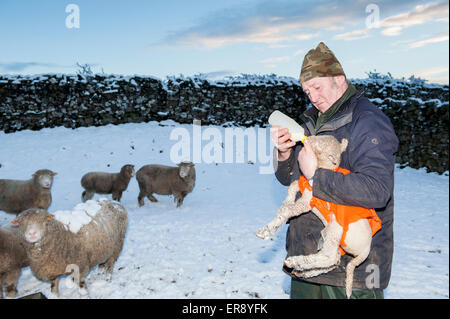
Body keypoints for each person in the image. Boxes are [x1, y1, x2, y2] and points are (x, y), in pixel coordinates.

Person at [271, 42, 399, 299]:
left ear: (339, 79)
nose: (313, 97)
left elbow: (377, 190)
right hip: (307, 258)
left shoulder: (368, 121)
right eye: (307, 92)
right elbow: (290, 178)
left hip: (350, 270)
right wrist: (284, 154)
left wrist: (316, 177)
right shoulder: (311, 120)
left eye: (317, 87)